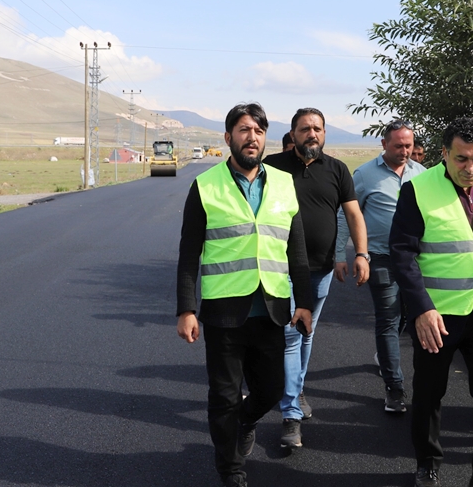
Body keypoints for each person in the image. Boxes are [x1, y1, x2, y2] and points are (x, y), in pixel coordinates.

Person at [176, 103, 313, 487]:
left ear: (265, 138)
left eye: (258, 130)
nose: (252, 137)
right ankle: (231, 471)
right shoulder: (205, 186)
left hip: (271, 310)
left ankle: (245, 421)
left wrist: (304, 303)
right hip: (224, 313)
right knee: (223, 397)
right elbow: (189, 254)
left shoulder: (284, 184)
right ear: (228, 138)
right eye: (243, 130)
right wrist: (186, 308)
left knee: (271, 389)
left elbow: (297, 251)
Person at [388, 117, 473, 487]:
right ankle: (427, 461)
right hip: (437, 315)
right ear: (444, 153)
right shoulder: (418, 189)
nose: (471, 167)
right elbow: (402, 254)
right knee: (429, 394)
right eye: (462, 159)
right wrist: (421, 308)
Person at [264, 108, 369, 449]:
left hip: (320, 269)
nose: (312, 134)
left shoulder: (337, 170)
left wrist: (361, 254)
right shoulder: (273, 167)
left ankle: (295, 389)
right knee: (291, 335)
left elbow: (353, 214)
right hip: (282, 268)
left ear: (325, 133)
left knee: (306, 333)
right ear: (293, 133)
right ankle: (291, 414)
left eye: (318, 128)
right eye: (305, 128)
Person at [336, 120, 425, 413]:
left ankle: (386, 356)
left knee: (406, 316)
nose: (405, 151)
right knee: (388, 318)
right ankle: (394, 387)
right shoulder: (364, 175)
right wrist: (341, 254)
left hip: (414, 259)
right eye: (398, 146)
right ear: (384, 144)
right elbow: (347, 214)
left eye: (409, 146)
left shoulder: (421, 174)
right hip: (380, 257)